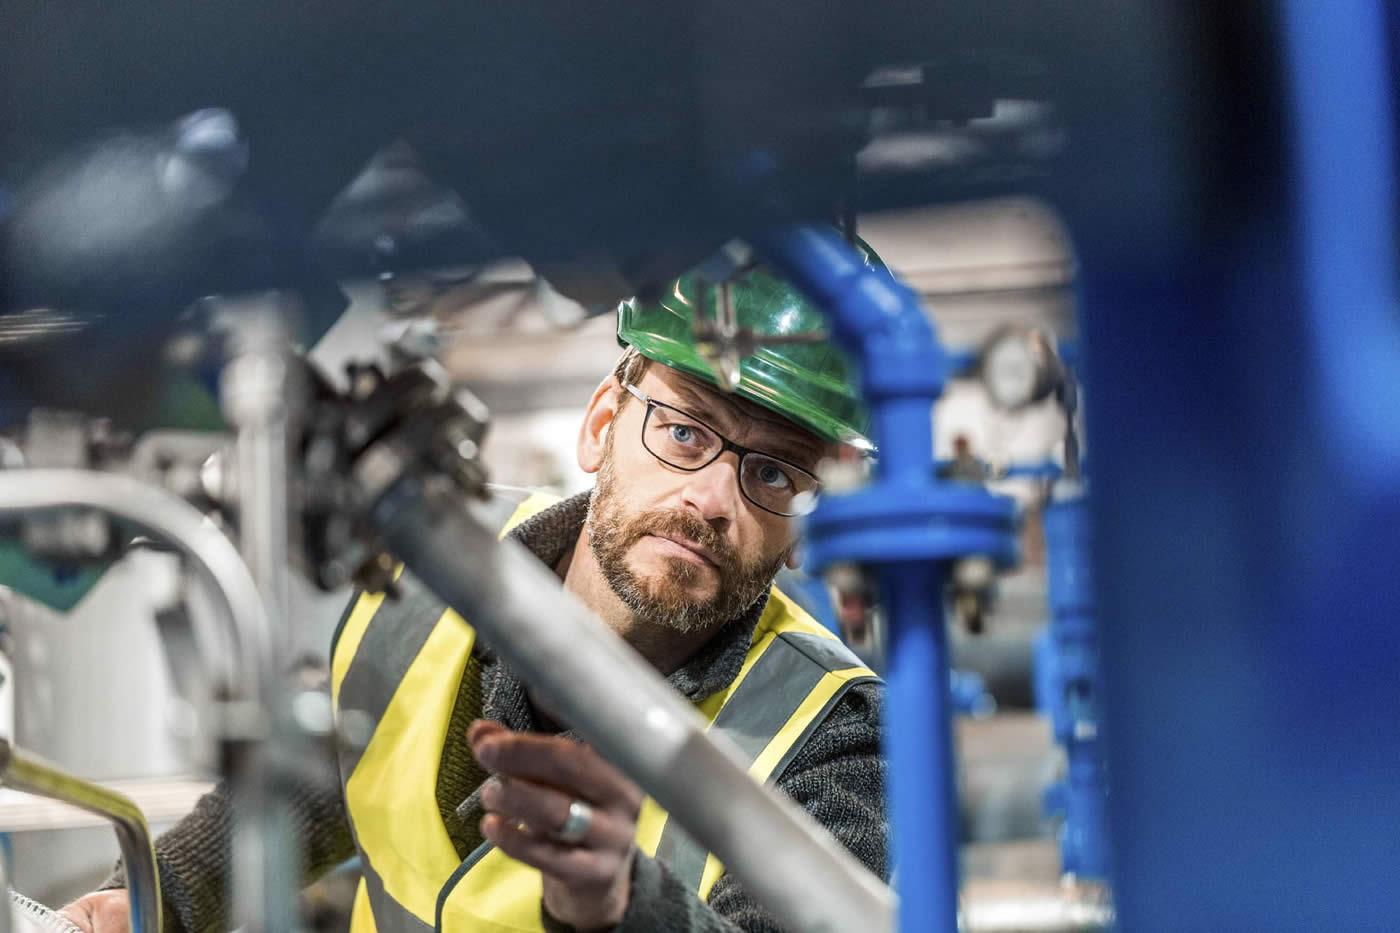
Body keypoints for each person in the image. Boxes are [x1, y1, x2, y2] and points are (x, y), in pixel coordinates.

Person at [62, 251, 889, 933]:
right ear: (602, 424)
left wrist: (624, 908)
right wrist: (157, 897)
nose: (712, 499)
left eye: (772, 471)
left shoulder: (829, 736)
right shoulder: (436, 560)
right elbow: (330, 781)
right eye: (684, 431)